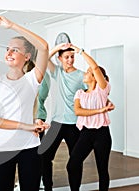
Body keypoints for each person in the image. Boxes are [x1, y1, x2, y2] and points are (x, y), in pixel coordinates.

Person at [0, 15, 49, 191]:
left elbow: (43, 48)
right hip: (2, 148)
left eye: (15, 50)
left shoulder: (32, 80)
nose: (9, 53)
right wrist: (25, 126)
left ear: (27, 56)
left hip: (30, 148)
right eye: (7, 49)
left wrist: (12, 25)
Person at [39, 43, 87, 191]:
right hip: (57, 123)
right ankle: (48, 187)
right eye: (66, 57)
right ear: (60, 58)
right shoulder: (57, 72)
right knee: (44, 157)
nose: (70, 60)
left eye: (72, 56)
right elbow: (45, 58)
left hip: (74, 124)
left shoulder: (81, 76)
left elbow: (90, 94)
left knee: (75, 161)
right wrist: (58, 46)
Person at [67, 45, 114, 191]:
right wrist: (101, 109)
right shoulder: (80, 93)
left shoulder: (103, 89)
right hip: (86, 133)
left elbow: (94, 67)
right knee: (72, 164)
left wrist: (80, 51)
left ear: (94, 77)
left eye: (88, 72)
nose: (85, 74)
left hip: (102, 134)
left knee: (102, 169)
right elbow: (78, 111)